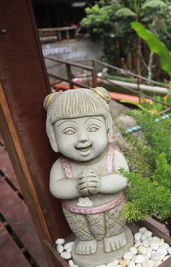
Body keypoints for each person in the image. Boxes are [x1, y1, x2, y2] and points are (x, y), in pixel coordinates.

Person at [43, 88, 131, 260]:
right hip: (78, 213)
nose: (82, 137)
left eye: (92, 128)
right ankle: (86, 239)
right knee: (81, 226)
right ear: (53, 138)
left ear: (107, 131)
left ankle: (115, 234)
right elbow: (56, 187)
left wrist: (100, 184)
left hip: (112, 208)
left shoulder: (113, 157)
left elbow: (123, 178)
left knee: (114, 220)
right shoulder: (61, 165)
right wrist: (76, 186)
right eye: (69, 131)